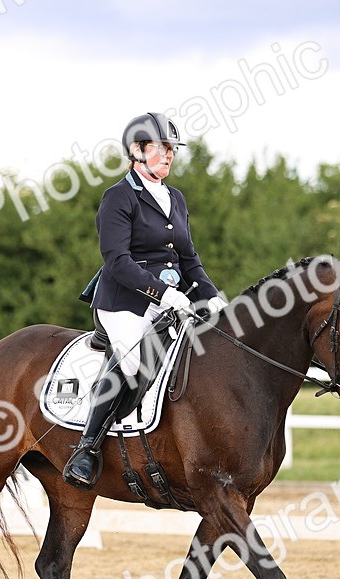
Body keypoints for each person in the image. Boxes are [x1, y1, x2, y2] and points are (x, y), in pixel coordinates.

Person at [63, 112, 229, 489]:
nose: (170, 155)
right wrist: (164, 292)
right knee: (134, 358)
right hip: (124, 302)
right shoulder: (118, 197)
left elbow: (189, 259)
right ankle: (87, 448)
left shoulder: (176, 198)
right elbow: (117, 261)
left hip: (170, 299)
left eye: (172, 149)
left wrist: (213, 296)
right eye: (162, 148)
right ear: (138, 150)